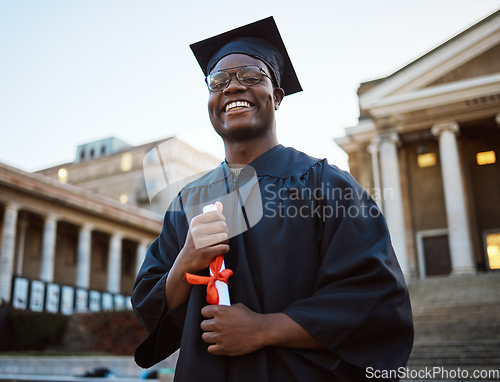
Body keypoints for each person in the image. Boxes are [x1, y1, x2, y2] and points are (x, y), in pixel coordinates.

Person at [132, 17, 413, 382]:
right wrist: (186, 260)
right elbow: (150, 306)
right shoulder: (188, 201)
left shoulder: (328, 186)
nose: (232, 87)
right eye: (218, 82)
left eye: (251, 76)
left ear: (277, 96)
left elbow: (377, 304)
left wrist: (264, 329)